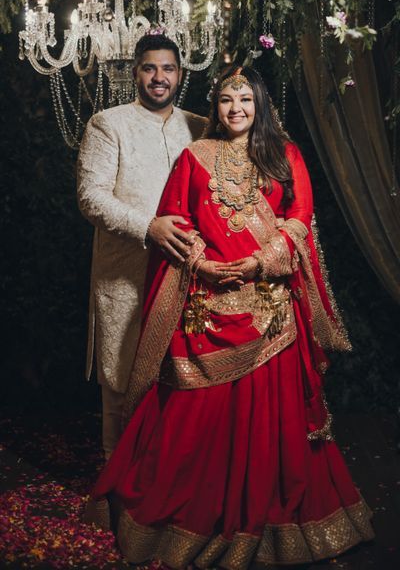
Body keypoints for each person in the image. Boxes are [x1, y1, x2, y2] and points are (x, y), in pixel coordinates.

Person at [85, 66, 374, 568]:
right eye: (224, 100)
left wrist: (261, 261)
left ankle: (272, 520)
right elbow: (177, 220)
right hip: (205, 312)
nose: (235, 108)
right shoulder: (194, 157)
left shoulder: (286, 155)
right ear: (214, 107)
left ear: (260, 103)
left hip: (270, 313)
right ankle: (193, 517)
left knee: (272, 426)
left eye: (244, 98)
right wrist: (202, 262)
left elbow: (299, 221)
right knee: (194, 429)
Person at [77, 34, 208, 459]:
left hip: (188, 276)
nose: (158, 77)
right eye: (149, 68)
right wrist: (147, 227)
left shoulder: (201, 127)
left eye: (167, 69)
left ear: (180, 75)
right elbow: (91, 197)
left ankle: (168, 484)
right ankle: (116, 490)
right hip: (127, 274)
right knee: (121, 383)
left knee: (182, 383)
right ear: (135, 72)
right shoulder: (108, 123)